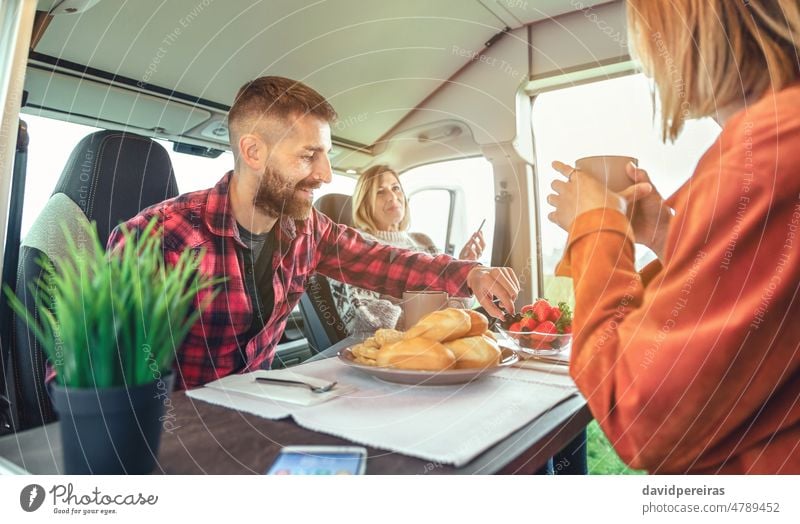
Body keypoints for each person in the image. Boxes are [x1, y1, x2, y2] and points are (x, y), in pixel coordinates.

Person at [107, 76, 519, 390]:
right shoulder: (158, 238)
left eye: (326, 156)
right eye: (309, 156)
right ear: (253, 152)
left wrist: (469, 274)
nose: (324, 175)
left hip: (261, 412)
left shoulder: (307, 230)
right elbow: (97, 380)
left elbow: (385, 260)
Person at [547, 0, 800, 473]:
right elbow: (761, 301)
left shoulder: (766, 156)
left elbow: (639, 414)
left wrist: (597, 226)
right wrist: (663, 230)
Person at [329, 165, 486, 333]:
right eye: (380, 192)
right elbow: (367, 320)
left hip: (443, 337)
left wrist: (463, 270)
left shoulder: (424, 241)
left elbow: (460, 310)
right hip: (399, 348)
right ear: (364, 202)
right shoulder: (356, 246)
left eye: (396, 188)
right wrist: (434, 322)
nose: (392, 196)